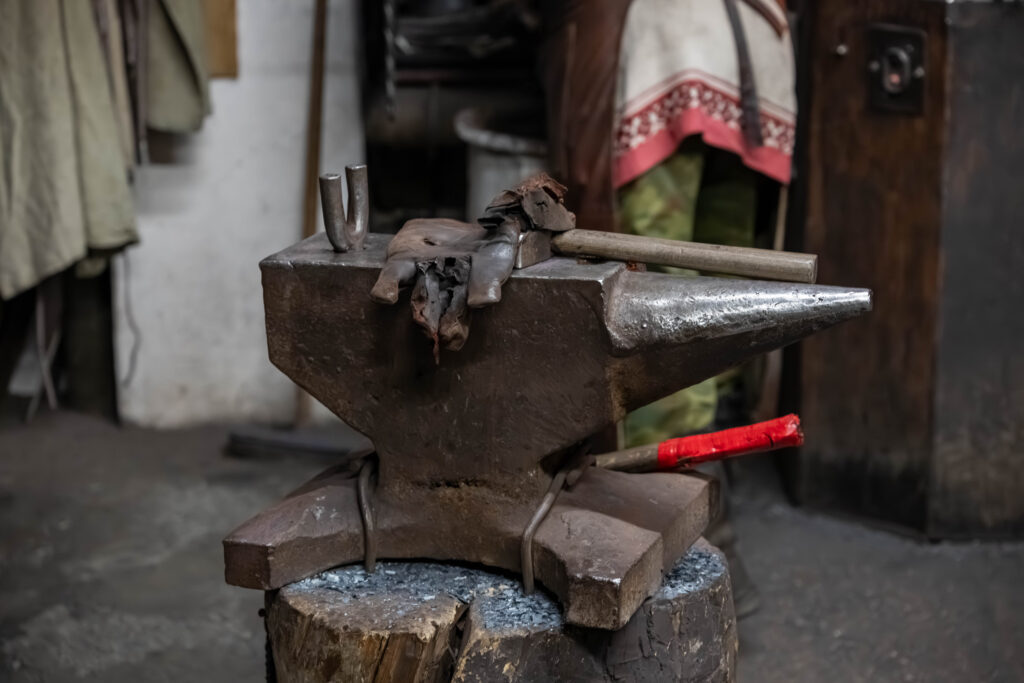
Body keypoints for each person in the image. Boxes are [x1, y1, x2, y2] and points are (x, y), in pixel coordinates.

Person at [542, 0, 797, 617]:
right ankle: (696, 528)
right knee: (695, 301)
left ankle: (686, 525)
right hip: (719, 50)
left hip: (688, 47)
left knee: (690, 305)